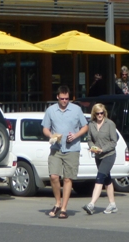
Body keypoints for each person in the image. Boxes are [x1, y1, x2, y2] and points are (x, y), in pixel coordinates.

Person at [41, 85, 88, 219]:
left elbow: (85, 126)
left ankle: (64, 208)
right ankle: (57, 202)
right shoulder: (51, 110)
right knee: (54, 176)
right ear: (57, 97)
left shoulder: (76, 109)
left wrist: (75, 135)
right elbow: (45, 128)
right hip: (56, 148)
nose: (64, 101)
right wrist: (51, 136)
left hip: (72, 149)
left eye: (67, 99)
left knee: (68, 178)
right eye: (62, 99)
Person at [82, 103, 118, 215]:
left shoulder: (110, 124)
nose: (99, 115)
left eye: (101, 113)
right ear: (94, 114)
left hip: (109, 155)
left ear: (104, 113)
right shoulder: (91, 124)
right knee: (107, 179)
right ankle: (112, 204)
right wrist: (92, 147)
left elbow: (114, 141)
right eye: (97, 113)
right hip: (98, 156)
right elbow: (89, 139)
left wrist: (102, 149)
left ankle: (91, 204)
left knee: (100, 177)